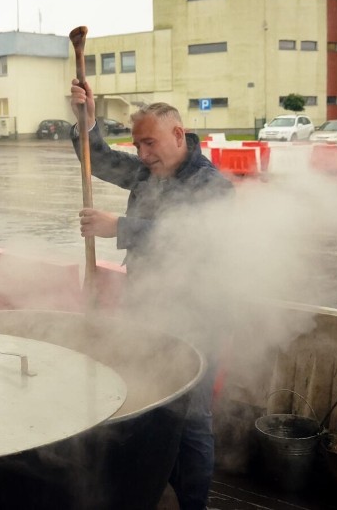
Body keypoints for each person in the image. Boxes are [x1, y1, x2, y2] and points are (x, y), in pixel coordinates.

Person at [68, 80, 234, 510]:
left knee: (193, 421)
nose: (142, 154)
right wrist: (86, 121)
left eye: (150, 143)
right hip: (148, 308)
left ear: (178, 135)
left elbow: (193, 238)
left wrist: (117, 228)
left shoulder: (210, 182)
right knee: (154, 410)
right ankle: (158, 491)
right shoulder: (147, 171)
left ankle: (193, 503)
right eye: (137, 144)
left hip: (198, 317)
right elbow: (99, 160)